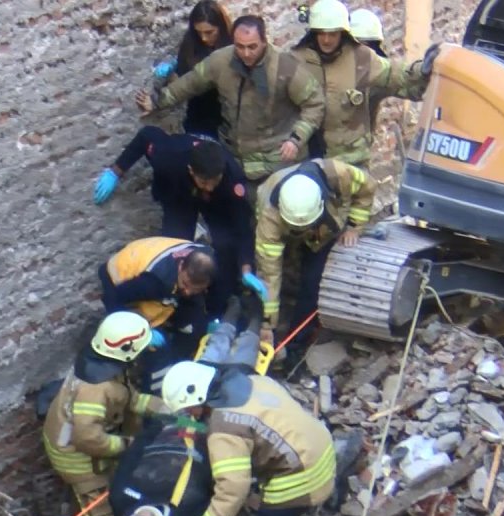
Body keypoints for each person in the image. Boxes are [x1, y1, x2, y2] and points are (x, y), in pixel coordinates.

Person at [160, 336, 336, 516]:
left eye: (187, 410)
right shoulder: (250, 381)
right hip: (320, 451)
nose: (188, 417)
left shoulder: (224, 429)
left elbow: (233, 490)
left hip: (300, 480)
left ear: (198, 399)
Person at [42, 312, 164, 516]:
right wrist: (127, 446)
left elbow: (128, 400)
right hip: (80, 461)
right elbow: (88, 437)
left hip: (75, 450)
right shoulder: (96, 388)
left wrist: (167, 409)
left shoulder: (103, 366)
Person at [135, 15, 325, 182]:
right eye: (240, 47)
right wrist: (158, 101)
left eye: (252, 47)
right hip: (236, 161)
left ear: (264, 42)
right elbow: (190, 83)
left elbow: (315, 103)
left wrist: (296, 139)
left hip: (279, 161)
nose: (246, 53)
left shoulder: (286, 68)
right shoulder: (221, 61)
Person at [94, 129, 254, 318]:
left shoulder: (231, 180)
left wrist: (246, 269)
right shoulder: (170, 155)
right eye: (204, 181)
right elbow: (146, 136)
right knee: (177, 250)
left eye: (214, 181)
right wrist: (116, 171)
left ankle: (215, 311)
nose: (209, 186)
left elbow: (243, 228)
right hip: (180, 193)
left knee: (225, 247)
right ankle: (175, 312)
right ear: (191, 171)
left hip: (217, 201)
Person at [251, 159, 374, 355]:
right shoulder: (270, 218)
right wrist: (267, 325)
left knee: (313, 281)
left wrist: (354, 226)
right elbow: (269, 274)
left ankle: (296, 346)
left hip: (325, 228)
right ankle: (278, 321)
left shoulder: (339, 174)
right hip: (283, 229)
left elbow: (367, 186)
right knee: (282, 274)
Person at [290, 0, 431, 168]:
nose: (327, 40)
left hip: (349, 160)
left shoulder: (365, 62)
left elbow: (400, 77)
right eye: (322, 33)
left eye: (333, 34)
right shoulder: (298, 60)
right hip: (308, 155)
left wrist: (423, 70)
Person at [99, 237, 217, 391]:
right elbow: (111, 297)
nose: (188, 292)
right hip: (119, 279)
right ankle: (153, 388)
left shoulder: (206, 260)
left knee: (196, 326)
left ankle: (179, 364)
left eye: (195, 288)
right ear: (181, 266)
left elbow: (191, 293)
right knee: (157, 351)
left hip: (155, 268)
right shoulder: (153, 283)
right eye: (186, 284)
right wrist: (140, 332)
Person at [157, 1, 234, 138]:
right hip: (199, 113)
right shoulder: (191, 44)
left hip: (227, 113)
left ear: (221, 28)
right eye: (199, 32)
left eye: (209, 32)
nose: (204, 38)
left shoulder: (233, 45)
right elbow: (182, 81)